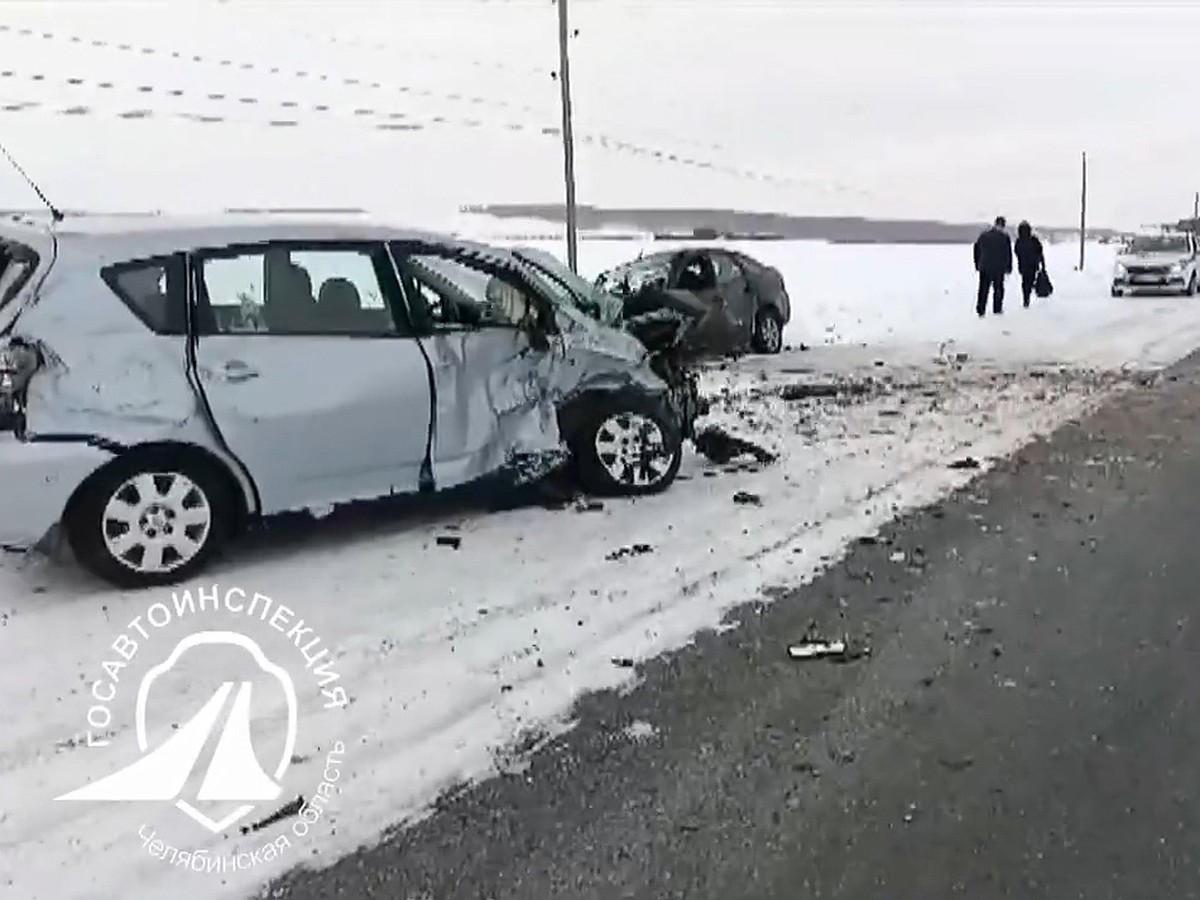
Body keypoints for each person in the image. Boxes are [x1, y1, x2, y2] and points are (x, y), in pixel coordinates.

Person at [973, 215, 1013, 316]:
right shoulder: (1004, 237)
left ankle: (981, 309)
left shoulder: (984, 235)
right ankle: (997, 308)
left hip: (985, 266)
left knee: (983, 289)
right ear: (1003, 225)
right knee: (998, 289)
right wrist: (1008, 267)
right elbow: (1008, 253)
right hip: (998, 268)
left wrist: (977, 263)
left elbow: (976, 250)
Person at [1014, 220, 1046, 308]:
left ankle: (1026, 298)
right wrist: (1042, 264)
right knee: (1031, 280)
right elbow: (1040, 252)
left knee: (1025, 282)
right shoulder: (1034, 240)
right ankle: (1031, 292)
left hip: (1023, 266)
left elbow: (1017, 252)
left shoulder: (1019, 241)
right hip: (1033, 265)